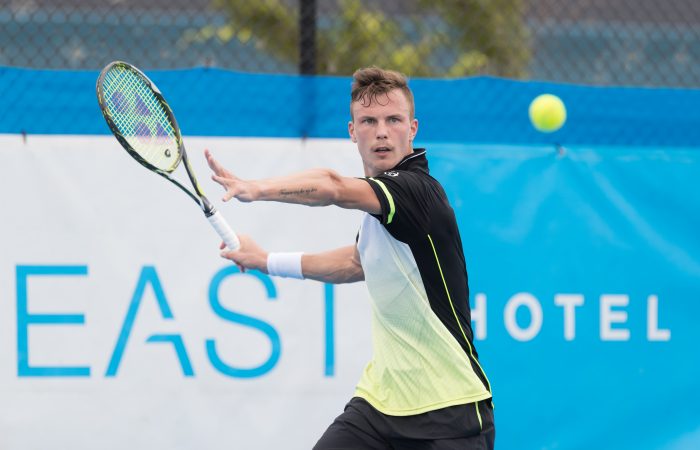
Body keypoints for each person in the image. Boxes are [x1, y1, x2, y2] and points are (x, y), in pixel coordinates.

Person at [205, 67, 494, 449]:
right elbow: (357, 263)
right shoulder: (382, 206)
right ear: (352, 131)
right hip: (380, 404)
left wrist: (257, 188)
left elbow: (333, 186)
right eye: (368, 121)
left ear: (412, 129)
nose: (381, 131)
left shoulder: (414, 191)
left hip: (448, 412)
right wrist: (266, 260)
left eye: (394, 120)